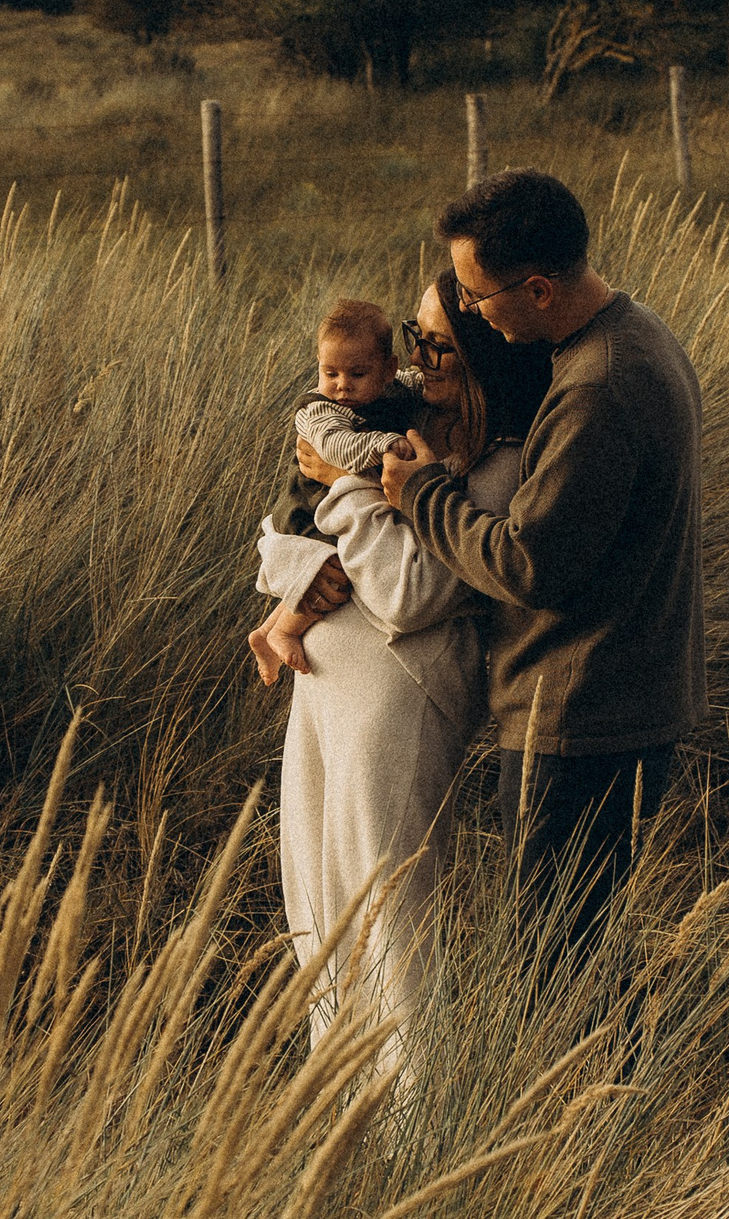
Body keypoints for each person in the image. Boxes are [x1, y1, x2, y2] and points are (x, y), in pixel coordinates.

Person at [381, 168, 705, 961]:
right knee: (582, 949)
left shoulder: (597, 387)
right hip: (623, 698)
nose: (471, 315)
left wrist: (420, 492)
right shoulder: (640, 333)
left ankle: (603, 1088)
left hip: (580, 714)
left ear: (537, 289)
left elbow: (529, 565)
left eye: (477, 296)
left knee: (552, 964)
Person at [252, 274, 552, 1051]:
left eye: (436, 343)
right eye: (416, 343)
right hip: (325, 694)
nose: (420, 359)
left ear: (482, 351)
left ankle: (414, 1125)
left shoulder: (505, 460)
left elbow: (410, 594)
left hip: (400, 699)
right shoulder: (402, 421)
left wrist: (346, 490)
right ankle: (341, 1117)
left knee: (392, 923)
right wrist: (294, 573)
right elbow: (274, 539)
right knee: (319, 918)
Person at [249, 297, 421, 683]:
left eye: (357, 374)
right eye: (331, 373)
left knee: (333, 565)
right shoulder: (320, 411)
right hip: (309, 508)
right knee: (336, 570)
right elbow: (335, 448)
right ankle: (284, 630)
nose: (342, 386)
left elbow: (411, 384)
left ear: (389, 370)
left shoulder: (391, 390)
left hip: (334, 504)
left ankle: (264, 633)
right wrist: (383, 444)